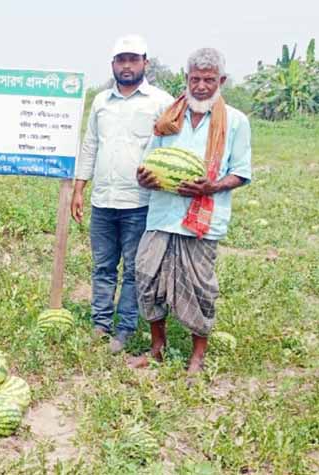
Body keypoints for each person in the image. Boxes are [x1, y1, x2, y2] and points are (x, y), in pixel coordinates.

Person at [130, 48, 252, 375]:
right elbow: (148, 162)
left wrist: (211, 186)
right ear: (186, 78)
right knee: (146, 277)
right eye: (195, 79)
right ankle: (157, 348)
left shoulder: (236, 122)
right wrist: (144, 177)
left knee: (200, 288)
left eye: (208, 80)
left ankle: (197, 356)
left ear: (221, 81)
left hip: (203, 219)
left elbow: (241, 172)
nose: (200, 86)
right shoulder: (169, 118)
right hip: (162, 215)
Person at [72, 35, 174, 353]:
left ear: (145, 62)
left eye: (133, 59)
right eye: (121, 60)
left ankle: (125, 328)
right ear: (113, 64)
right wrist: (79, 187)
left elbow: (173, 148)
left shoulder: (161, 102)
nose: (127, 66)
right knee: (102, 266)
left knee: (133, 269)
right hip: (103, 200)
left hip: (139, 203)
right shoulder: (101, 102)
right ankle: (101, 324)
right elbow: (91, 144)